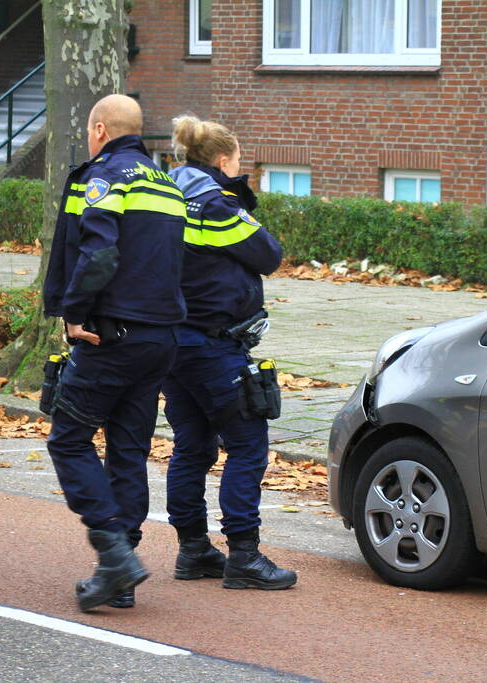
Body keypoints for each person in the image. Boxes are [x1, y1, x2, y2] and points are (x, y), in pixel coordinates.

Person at [42, 94, 187, 611]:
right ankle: (120, 577)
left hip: (112, 336)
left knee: (69, 440)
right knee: (128, 451)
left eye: (88, 131)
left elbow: (98, 252)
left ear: (100, 129)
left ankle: (113, 553)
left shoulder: (105, 177)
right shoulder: (165, 182)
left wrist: (74, 312)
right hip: (161, 337)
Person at [162, 115, 296, 590]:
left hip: (171, 343)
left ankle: (193, 551)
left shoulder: (163, 196)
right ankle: (243, 555)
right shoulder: (215, 206)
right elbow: (268, 254)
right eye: (238, 160)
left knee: (192, 446)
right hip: (213, 344)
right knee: (247, 444)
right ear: (222, 160)